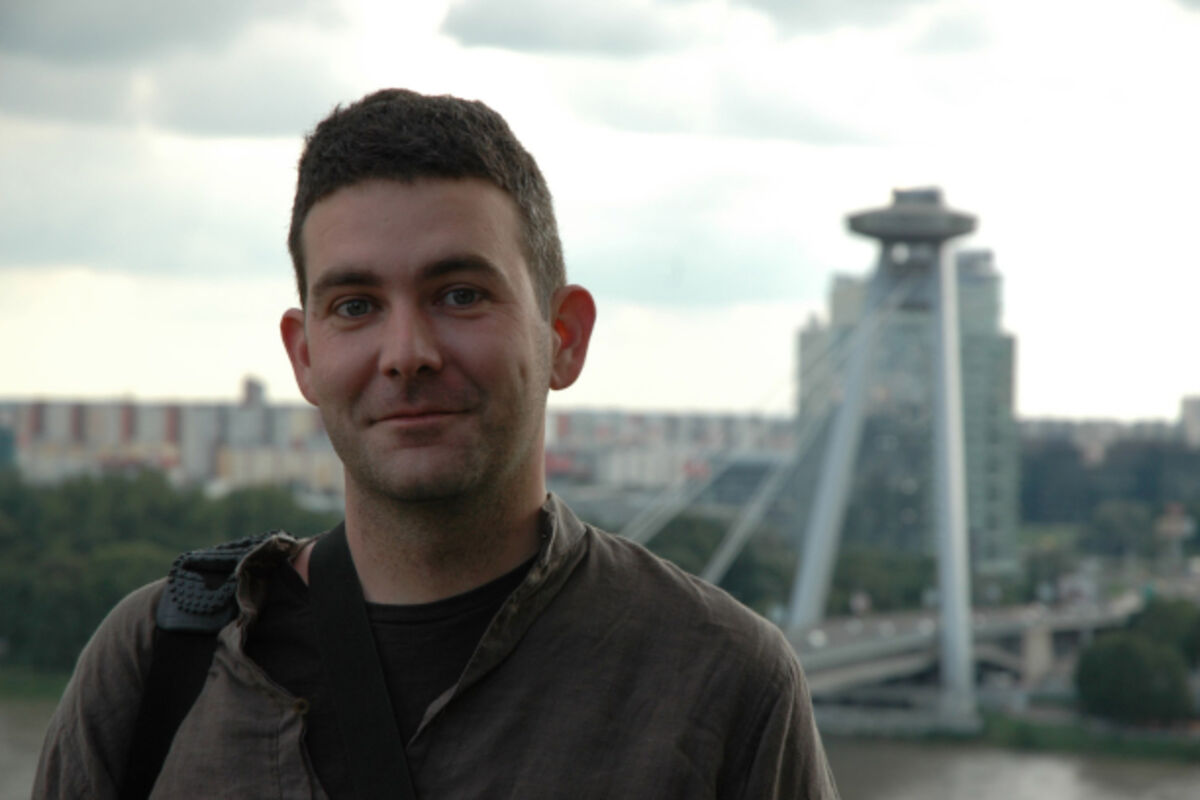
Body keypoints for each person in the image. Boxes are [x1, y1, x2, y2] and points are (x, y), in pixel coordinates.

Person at [34, 89, 839, 799]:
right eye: (355, 306)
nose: (407, 353)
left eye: (459, 295)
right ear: (304, 356)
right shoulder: (158, 665)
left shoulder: (721, 683)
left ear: (564, 337)